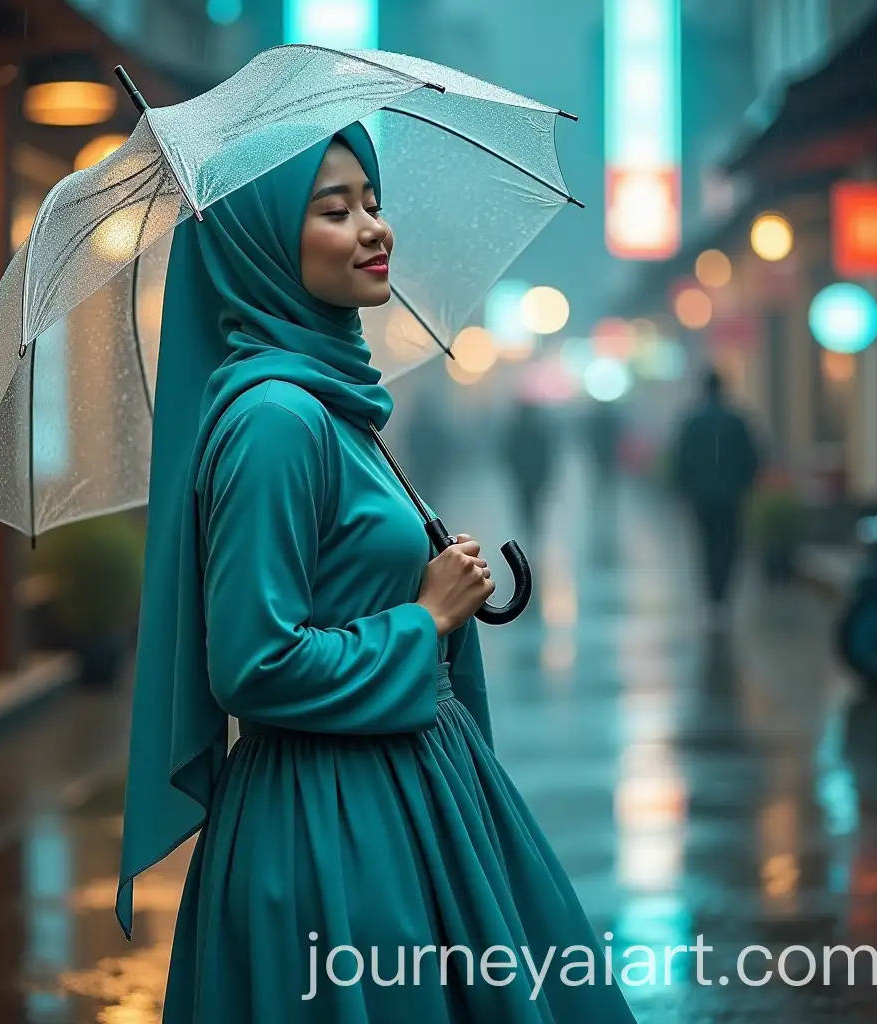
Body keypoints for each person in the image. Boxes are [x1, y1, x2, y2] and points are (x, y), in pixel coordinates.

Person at [116, 123, 637, 1023]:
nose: (373, 227)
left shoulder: (329, 401)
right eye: (334, 209)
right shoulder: (275, 420)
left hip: (398, 796)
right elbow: (252, 663)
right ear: (264, 244)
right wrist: (423, 621)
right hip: (335, 828)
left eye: (372, 202)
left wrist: (424, 580)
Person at [672, 368, 761, 622]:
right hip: (732, 496)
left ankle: (712, 597)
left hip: (701, 497)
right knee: (730, 544)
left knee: (706, 545)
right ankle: (723, 595)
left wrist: (684, 491)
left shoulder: (692, 422)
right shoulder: (737, 421)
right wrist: (746, 485)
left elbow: (681, 461)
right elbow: (752, 458)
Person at [499, 401, 556, 542]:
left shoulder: (518, 430)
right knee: (532, 504)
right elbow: (546, 454)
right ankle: (531, 529)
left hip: (524, 476)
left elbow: (509, 453)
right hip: (530, 476)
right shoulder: (538, 430)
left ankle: (528, 529)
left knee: (526, 504)